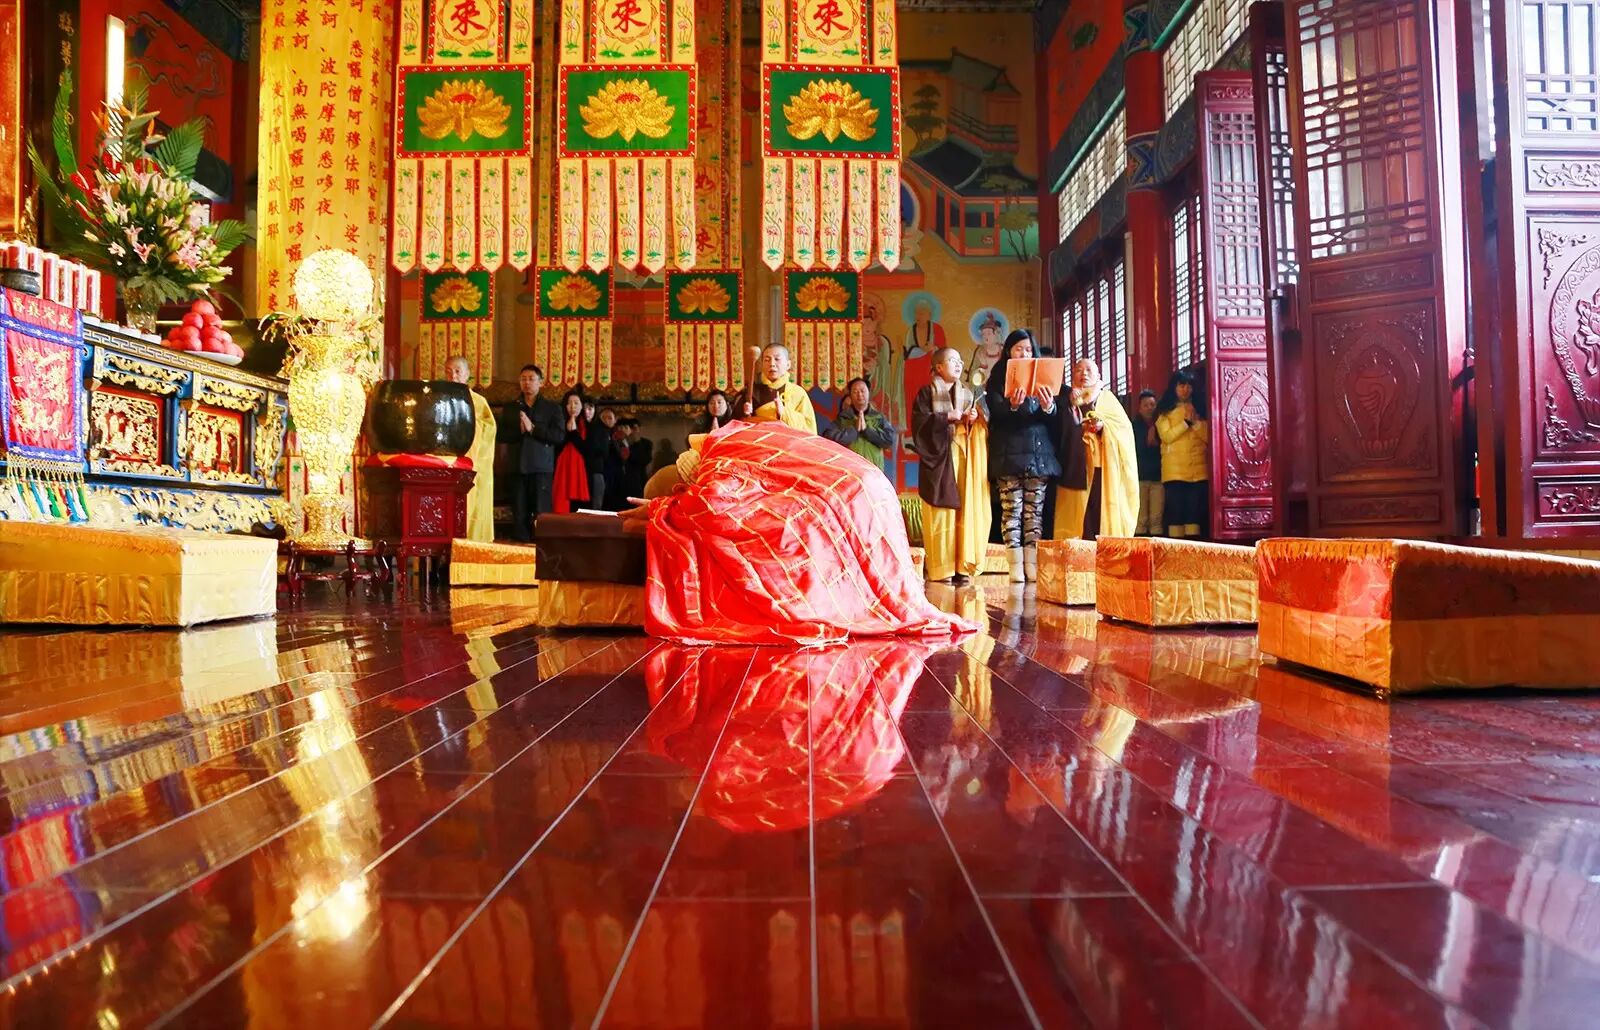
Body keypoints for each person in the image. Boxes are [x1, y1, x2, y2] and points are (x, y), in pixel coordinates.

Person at [621, 420, 976, 645]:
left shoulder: (717, 466)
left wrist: (662, 509)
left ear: (689, 479)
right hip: (869, 485)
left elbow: (712, 503)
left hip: (849, 495)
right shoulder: (740, 433)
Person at [986, 329, 1060, 584]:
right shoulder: (997, 377)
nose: (1024, 353)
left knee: (1033, 513)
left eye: (1028, 349)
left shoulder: (1042, 376)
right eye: (1019, 348)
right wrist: (1013, 406)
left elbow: (1053, 419)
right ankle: (1015, 566)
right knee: (1012, 511)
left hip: (1038, 455)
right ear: (1009, 351)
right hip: (1007, 455)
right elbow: (996, 413)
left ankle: (1032, 564)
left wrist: (1049, 406)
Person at [913, 348, 991, 584]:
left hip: (962, 457)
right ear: (938, 367)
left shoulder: (966, 393)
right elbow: (919, 424)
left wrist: (972, 420)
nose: (959, 364)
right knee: (941, 514)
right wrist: (945, 417)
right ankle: (941, 569)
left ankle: (961, 565)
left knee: (964, 510)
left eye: (960, 361)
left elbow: (976, 426)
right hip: (938, 460)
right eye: (952, 360)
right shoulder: (927, 393)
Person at [1054, 358, 1139, 542]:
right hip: (1073, 466)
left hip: (1101, 466)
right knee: (1076, 517)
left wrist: (1103, 427)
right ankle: (1075, 553)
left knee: (1098, 514)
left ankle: (1101, 553)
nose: (1084, 374)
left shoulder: (1107, 398)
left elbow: (1123, 430)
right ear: (1072, 375)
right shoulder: (1065, 400)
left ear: (1098, 375)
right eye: (1079, 370)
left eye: (1089, 370)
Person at [499, 364, 564, 540]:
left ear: (540, 382)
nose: (527, 383)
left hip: (541, 469)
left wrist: (533, 429)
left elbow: (558, 436)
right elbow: (501, 434)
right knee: (519, 513)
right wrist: (519, 431)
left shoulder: (552, 408)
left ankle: (541, 549)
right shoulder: (511, 407)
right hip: (517, 468)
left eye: (531, 379)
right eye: (523, 379)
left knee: (541, 513)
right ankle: (521, 549)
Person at [445, 355, 497, 542]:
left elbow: (488, 429)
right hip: (448, 461)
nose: (453, 376)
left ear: (467, 374)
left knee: (473, 500)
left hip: (473, 460)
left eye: (458, 371)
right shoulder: (441, 398)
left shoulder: (478, 401)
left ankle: (472, 543)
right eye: (449, 372)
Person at [1156, 369, 1210, 538]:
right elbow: (1166, 436)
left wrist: (1196, 424)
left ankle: (1193, 549)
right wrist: (1186, 424)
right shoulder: (1165, 412)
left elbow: (1209, 438)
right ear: (1174, 387)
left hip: (1198, 472)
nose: (1185, 389)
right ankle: (1175, 549)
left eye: (1189, 386)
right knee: (1176, 514)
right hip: (1175, 473)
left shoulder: (1201, 409)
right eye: (1181, 385)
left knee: (1194, 515)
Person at [733, 343, 817, 434]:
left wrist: (783, 412)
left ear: (788, 364)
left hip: (788, 441)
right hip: (761, 440)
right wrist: (745, 414)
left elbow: (809, 428)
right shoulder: (751, 391)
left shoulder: (798, 393)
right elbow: (735, 426)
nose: (772, 364)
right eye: (767, 360)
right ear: (762, 364)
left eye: (777, 359)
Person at [821, 377, 896, 475]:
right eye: (855, 392)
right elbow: (827, 438)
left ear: (868, 393)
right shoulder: (843, 418)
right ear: (850, 396)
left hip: (874, 473)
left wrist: (867, 431)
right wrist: (854, 431)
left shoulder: (878, 418)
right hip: (850, 473)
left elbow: (890, 440)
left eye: (862, 391)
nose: (859, 394)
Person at [551, 390, 592, 514]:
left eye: (576, 403)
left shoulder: (589, 426)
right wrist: (568, 431)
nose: (572, 406)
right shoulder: (558, 424)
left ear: (582, 406)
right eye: (569, 403)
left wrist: (574, 432)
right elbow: (556, 447)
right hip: (561, 469)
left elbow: (587, 450)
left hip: (582, 473)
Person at [1132, 389, 1164, 536]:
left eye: (1152, 404)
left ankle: (1156, 545)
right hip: (1139, 476)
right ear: (1139, 408)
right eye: (1146, 405)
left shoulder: (1162, 424)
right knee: (1140, 517)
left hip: (1158, 476)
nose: (1149, 408)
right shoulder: (1133, 426)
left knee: (1157, 517)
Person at [581, 398, 611, 510]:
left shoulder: (601, 429)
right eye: (584, 409)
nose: (587, 412)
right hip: (580, 472)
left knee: (594, 508)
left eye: (590, 408)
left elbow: (601, 452)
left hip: (595, 473)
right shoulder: (579, 426)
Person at [622, 419, 654, 500]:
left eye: (635, 428)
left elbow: (645, 459)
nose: (632, 431)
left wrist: (637, 442)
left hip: (639, 477)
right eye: (630, 428)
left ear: (639, 429)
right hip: (622, 477)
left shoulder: (646, 443)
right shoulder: (621, 442)